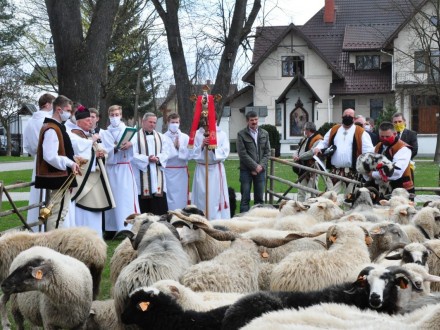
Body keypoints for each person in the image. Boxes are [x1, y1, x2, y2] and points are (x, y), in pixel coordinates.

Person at [67, 106, 115, 236]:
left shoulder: (89, 135)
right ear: (79, 121)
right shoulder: (73, 134)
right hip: (84, 181)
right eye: (87, 120)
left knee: (95, 215)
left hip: (95, 178)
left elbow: (102, 151)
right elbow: (78, 155)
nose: (90, 122)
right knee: (83, 215)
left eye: (91, 120)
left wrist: (101, 154)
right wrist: (94, 150)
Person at [34, 95, 80, 231]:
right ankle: (52, 244)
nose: (70, 114)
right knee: (57, 213)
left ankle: (52, 243)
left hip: (61, 175)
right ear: (59, 109)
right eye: (68, 110)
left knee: (60, 212)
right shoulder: (52, 128)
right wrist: (69, 163)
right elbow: (50, 156)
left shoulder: (57, 127)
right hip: (57, 176)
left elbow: (61, 151)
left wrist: (73, 159)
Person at [313, 108, 374, 195]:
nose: (347, 117)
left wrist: (366, 167)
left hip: (352, 172)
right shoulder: (334, 129)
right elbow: (324, 142)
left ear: (354, 119)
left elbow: (369, 151)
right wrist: (318, 148)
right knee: (329, 197)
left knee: (350, 199)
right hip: (335, 171)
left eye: (350, 116)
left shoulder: (360, 132)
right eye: (345, 116)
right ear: (342, 117)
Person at [100, 105, 140, 234]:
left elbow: (137, 149)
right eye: (112, 115)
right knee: (111, 198)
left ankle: (127, 227)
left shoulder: (128, 131)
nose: (114, 117)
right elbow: (104, 150)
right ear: (109, 116)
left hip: (124, 167)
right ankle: (111, 228)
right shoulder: (104, 133)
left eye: (117, 115)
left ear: (121, 115)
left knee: (125, 198)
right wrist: (115, 149)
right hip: (111, 168)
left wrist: (130, 144)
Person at [23, 93, 55, 231]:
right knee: (46, 194)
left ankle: (35, 227)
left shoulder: (30, 122)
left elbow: (28, 145)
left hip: (37, 158)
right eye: (53, 104)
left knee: (37, 194)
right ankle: (44, 227)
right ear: (47, 104)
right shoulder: (48, 120)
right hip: (47, 159)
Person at [131, 112, 174, 215]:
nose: (152, 124)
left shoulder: (161, 137)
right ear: (143, 122)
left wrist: (158, 158)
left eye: (154, 122)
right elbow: (132, 154)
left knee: (159, 207)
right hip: (142, 177)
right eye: (150, 122)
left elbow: (167, 152)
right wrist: (147, 159)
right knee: (144, 210)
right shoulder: (135, 137)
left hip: (157, 175)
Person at [189, 116, 230, 220]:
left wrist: (213, 147)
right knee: (202, 196)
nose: (208, 122)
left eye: (211, 119)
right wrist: (202, 145)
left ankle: (217, 221)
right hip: (202, 169)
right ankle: (201, 219)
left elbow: (225, 152)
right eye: (206, 119)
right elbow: (191, 153)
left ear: (215, 120)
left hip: (216, 169)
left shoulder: (221, 134)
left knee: (215, 198)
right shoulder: (197, 134)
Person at [365, 121, 414, 197]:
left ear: (394, 134)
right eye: (382, 136)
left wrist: (374, 174)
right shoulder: (378, 146)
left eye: (387, 136)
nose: (384, 139)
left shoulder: (403, 148)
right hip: (380, 187)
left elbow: (396, 172)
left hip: (399, 187)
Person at [236, 110, 270, 212]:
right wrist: (254, 166)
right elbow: (242, 154)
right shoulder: (241, 134)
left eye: (256, 119)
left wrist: (260, 167)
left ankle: (258, 222)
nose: (254, 122)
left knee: (259, 199)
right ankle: (243, 221)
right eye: (252, 120)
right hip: (246, 171)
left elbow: (267, 153)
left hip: (260, 171)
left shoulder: (265, 133)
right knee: (245, 198)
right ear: (247, 121)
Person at [163, 113, 190, 211]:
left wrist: (179, 148)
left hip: (181, 171)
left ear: (179, 123)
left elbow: (190, 154)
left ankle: (182, 214)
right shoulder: (162, 137)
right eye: (172, 122)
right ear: (168, 123)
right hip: (168, 171)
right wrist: (174, 148)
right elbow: (163, 155)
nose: (175, 124)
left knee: (182, 195)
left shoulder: (185, 137)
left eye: (177, 122)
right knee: (169, 196)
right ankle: (170, 214)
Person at [292, 122, 323, 202]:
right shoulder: (305, 138)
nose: (304, 131)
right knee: (301, 191)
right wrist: (295, 155)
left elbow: (312, 152)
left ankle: (317, 207)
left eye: (305, 129)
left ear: (308, 130)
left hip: (312, 169)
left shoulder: (318, 139)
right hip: (303, 169)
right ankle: (300, 207)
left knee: (314, 191)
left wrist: (299, 157)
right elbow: (298, 149)